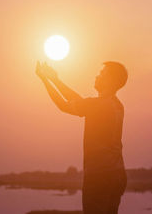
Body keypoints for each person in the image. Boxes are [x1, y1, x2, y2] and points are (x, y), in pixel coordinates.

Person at [35, 60, 128, 214]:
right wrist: (55, 79)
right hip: (117, 174)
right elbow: (79, 101)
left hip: (100, 175)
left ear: (110, 80)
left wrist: (45, 80)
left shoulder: (100, 105)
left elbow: (64, 105)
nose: (97, 76)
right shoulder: (116, 105)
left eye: (101, 74)